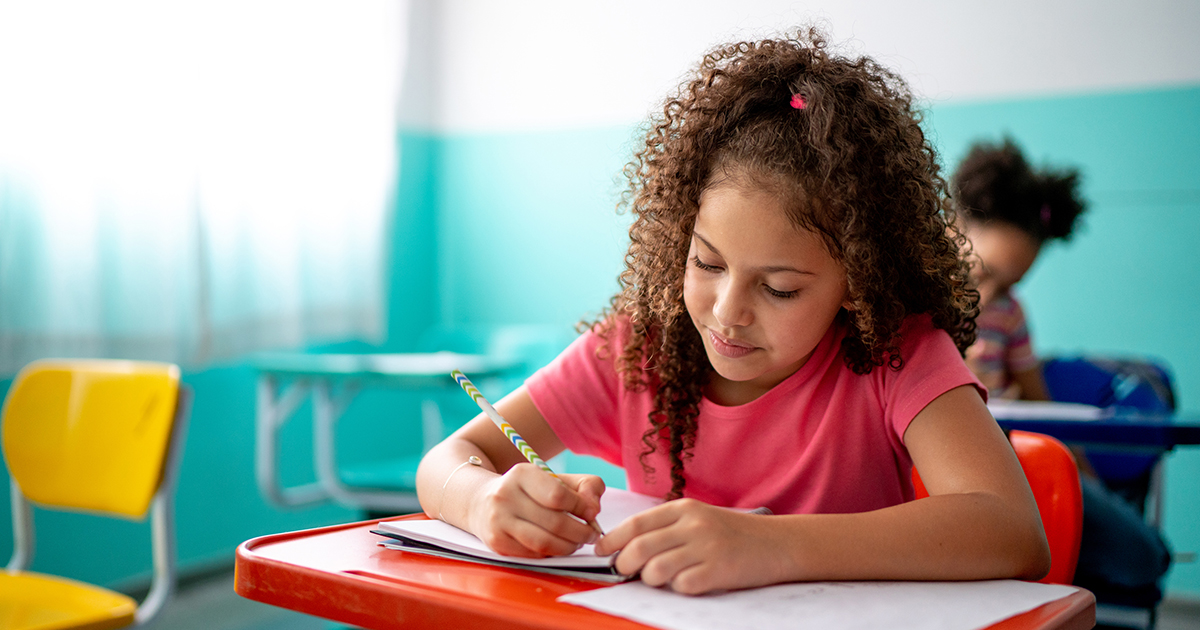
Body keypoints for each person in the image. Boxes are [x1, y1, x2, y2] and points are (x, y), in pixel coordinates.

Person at [416, 29, 1050, 595]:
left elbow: (1013, 529)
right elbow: (446, 462)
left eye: (778, 289)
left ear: (858, 283)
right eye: (708, 264)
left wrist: (771, 546)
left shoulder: (895, 352)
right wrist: (486, 501)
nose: (727, 311)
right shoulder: (639, 349)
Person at [951, 138, 1171, 607]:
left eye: (1009, 284)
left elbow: (1038, 401)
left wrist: (1083, 472)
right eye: (983, 273)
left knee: (1146, 556)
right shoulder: (917, 307)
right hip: (961, 461)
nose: (988, 297)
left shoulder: (1009, 315)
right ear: (952, 228)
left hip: (1021, 454)